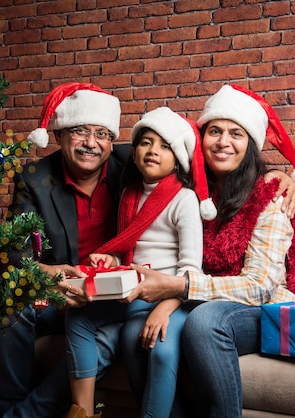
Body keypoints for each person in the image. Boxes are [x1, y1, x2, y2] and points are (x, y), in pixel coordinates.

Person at [123, 84, 295, 417]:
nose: (223, 142)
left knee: (205, 322)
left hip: (261, 308)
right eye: (214, 131)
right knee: (136, 334)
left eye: (236, 134)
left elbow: (259, 286)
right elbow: (128, 158)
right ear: (201, 139)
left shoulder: (271, 192)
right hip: (200, 300)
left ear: (251, 144)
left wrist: (178, 287)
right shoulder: (190, 190)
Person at [0, 82, 130, 418]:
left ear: (112, 142)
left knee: (100, 337)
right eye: (80, 131)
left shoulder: (134, 163)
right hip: (57, 296)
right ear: (59, 135)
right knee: (8, 302)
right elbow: (16, 251)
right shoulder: (36, 177)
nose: (90, 143)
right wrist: (48, 276)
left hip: (113, 300)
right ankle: (12, 406)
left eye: (101, 134)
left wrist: (279, 177)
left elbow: (200, 157)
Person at [64, 107, 212, 418]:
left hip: (171, 298)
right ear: (133, 153)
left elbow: (190, 270)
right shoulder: (129, 194)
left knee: (161, 349)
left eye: (164, 145)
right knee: (77, 317)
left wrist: (164, 307)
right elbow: (129, 247)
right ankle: (83, 412)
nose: (153, 151)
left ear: (178, 158)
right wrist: (111, 256)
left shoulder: (183, 199)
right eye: (146, 142)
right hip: (132, 290)